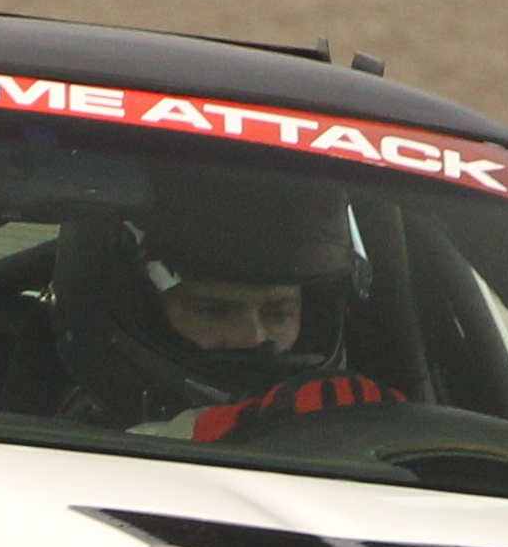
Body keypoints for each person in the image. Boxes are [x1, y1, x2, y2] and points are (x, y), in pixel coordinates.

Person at [52, 169, 407, 441]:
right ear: (141, 312)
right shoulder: (48, 451)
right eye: (214, 311)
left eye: (278, 313)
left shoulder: (354, 415)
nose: (254, 338)